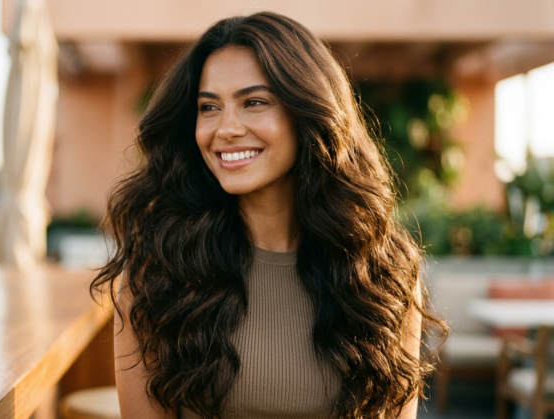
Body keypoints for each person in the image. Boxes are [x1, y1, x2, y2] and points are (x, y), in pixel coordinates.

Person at [92, 11, 447, 419]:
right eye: (209, 107)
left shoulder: (384, 272)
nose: (226, 128)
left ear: (308, 111)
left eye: (254, 102)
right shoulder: (158, 273)